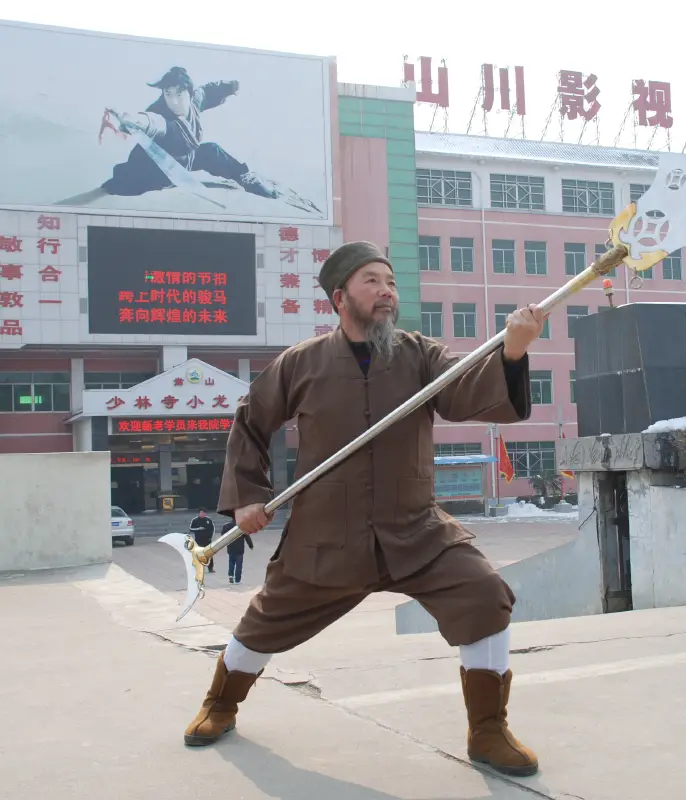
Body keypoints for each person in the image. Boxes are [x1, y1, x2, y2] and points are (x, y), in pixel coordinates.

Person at [183, 241, 546, 777]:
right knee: (262, 625)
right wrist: (248, 497)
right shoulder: (301, 363)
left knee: (483, 594)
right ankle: (220, 704)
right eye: (372, 281)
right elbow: (251, 420)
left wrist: (512, 353)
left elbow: (466, 390)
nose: (386, 292)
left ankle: (488, 730)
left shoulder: (420, 354)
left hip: (414, 529)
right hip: (326, 535)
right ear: (340, 297)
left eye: (390, 282)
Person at [56, 66, 277, 205]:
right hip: (155, 166)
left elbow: (209, 90)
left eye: (179, 94)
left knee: (212, 151)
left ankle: (245, 178)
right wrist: (131, 120)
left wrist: (231, 87)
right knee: (120, 185)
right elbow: (150, 121)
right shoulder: (160, 114)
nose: (174, 100)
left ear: (189, 93)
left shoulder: (195, 99)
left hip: (185, 159)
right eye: (168, 94)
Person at [221, 519, 254, 584]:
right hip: (239, 548)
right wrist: (251, 545)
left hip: (231, 547)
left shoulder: (226, 526)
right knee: (239, 564)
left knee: (231, 562)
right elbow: (247, 537)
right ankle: (237, 580)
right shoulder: (242, 526)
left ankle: (231, 575)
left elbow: (223, 536)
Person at [189, 508, 216, 573]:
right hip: (198, 540)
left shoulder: (208, 520)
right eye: (201, 513)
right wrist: (198, 529)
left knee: (209, 554)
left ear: (205, 513)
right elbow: (191, 529)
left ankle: (210, 568)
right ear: (199, 513)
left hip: (207, 540)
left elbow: (212, 529)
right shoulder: (195, 520)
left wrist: (210, 537)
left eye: (203, 513)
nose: (202, 514)